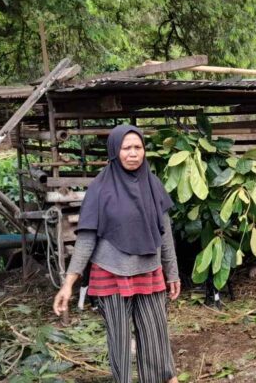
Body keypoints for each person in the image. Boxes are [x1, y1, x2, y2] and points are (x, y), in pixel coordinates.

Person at [53, 125, 181, 383]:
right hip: (110, 273)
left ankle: (163, 379)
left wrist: (173, 272)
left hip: (149, 271)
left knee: (155, 336)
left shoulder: (153, 185)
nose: (133, 153)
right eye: (126, 148)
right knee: (120, 342)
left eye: (138, 147)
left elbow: (165, 234)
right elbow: (86, 238)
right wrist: (68, 283)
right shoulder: (100, 189)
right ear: (114, 151)